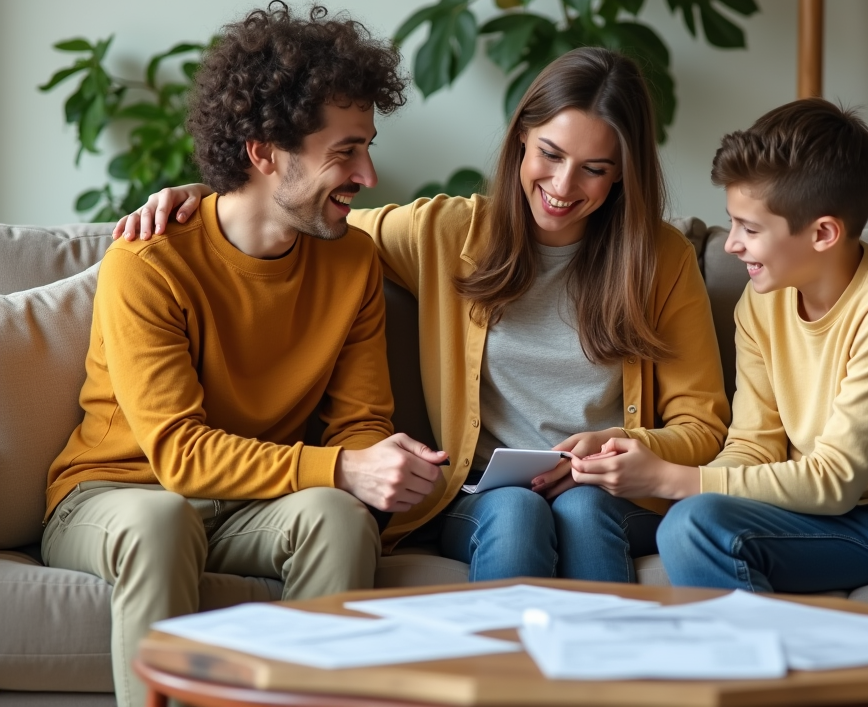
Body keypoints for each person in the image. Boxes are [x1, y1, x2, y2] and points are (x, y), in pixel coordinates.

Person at [115, 46, 730, 584]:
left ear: (624, 176)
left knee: (584, 509)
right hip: (482, 493)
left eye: (596, 169)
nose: (565, 185)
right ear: (522, 137)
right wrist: (205, 193)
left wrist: (625, 447)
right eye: (550, 153)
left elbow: (703, 426)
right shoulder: (446, 232)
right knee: (516, 511)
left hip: (610, 494)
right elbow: (299, 214)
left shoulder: (661, 259)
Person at [44, 3, 447, 707]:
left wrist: (377, 471)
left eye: (368, 146)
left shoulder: (351, 262)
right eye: (345, 151)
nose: (369, 173)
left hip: (250, 503)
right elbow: (179, 454)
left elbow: (360, 422)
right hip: (114, 494)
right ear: (264, 153)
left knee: (340, 514)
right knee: (162, 518)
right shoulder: (151, 261)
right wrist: (343, 466)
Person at [630, 97, 868, 619]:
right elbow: (753, 444)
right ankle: (779, 682)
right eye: (733, 223)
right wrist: (702, 495)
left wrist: (672, 477)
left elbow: (836, 478)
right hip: (846, 523)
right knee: (690, 525)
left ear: (823, 233)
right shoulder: (761, 301)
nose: (732, 245)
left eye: (750, 228)